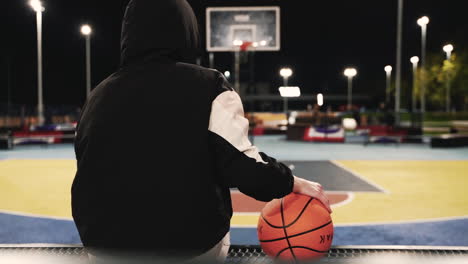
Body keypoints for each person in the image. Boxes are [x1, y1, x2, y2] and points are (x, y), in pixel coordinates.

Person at [71, 0, 332, 263]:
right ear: (187, 31)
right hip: (188, 247)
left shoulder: (96, 96)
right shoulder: (209, 85)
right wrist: (291, 182)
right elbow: (246, 171)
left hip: (103, 248)